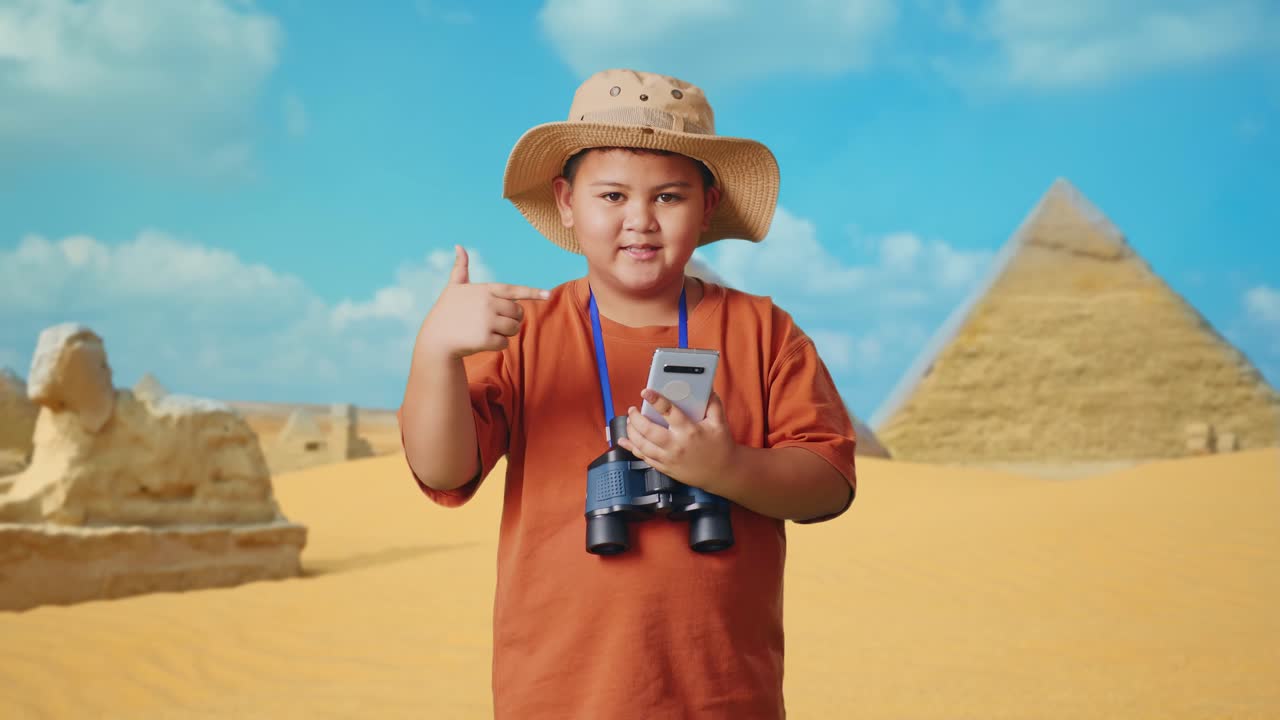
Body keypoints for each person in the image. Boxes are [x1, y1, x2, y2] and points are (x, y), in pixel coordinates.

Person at [398, 68, 857, 719]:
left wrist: (727, 471)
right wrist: (437, 353)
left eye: (668, 197)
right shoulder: (526, 332)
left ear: (707, 204)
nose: (639, 220)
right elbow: (442, 469)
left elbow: (829, 481)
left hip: (723, 698)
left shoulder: (765, 330)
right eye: (611, 195)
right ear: (565, 201)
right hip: (560, 696)